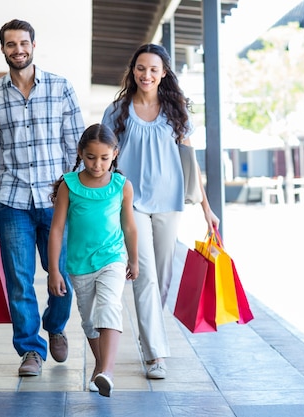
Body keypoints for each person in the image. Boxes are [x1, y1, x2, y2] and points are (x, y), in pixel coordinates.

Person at [0, 18, 85, 377]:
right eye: (10, 44)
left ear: (33, 46)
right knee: (19, 279)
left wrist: (77, 195)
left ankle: (55, 324)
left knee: (61, 271)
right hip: (14, 200)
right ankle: (31, 350)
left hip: (58, 200)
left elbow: (76, 146)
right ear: (2, 49)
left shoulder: (61, 88)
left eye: (23, 43)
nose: (17, 50)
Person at [101, 43, 219, 380]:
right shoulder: (117, 111)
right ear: (133, 71)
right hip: (131, 204)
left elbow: (191, 165)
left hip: (170, 203)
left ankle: (150, 335)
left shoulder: (176, 111)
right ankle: (155, 355)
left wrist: (207, 210)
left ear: (164, 72)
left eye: (153, 69)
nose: (146, 74)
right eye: (141, 68)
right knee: (146, 275)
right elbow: (105, 160)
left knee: (163, 278)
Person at [47, 123, 139, 397]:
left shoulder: (122, 186)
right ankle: (99, 367)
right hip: (79, 265)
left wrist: (133, 260)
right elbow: (56, 229)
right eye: (90, 157)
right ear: (80, 153)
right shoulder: (69, 185)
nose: (97, 164)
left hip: (112, 258)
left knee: (109, 306)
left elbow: (130, 227)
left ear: (115, 154)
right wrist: (54, 270)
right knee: (89, 320)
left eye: (104, 158)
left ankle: (107, 372)